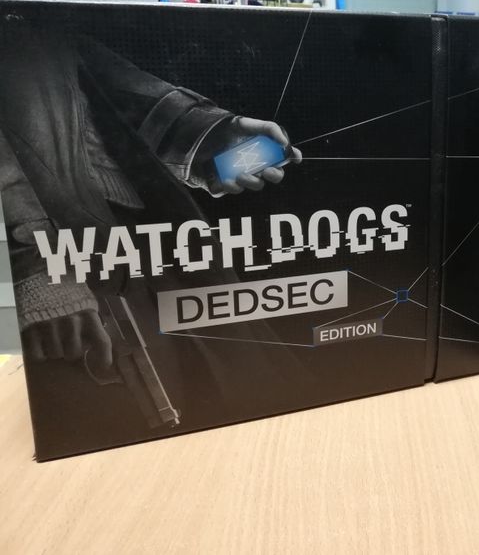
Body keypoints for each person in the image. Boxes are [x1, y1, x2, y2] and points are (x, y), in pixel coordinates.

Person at [0, 29, 305, 455]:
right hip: (67, 253)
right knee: (124, 424)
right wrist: (33, 263)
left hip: (148, 225)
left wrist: (211, 138)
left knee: (235, 391)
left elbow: (88, 70)